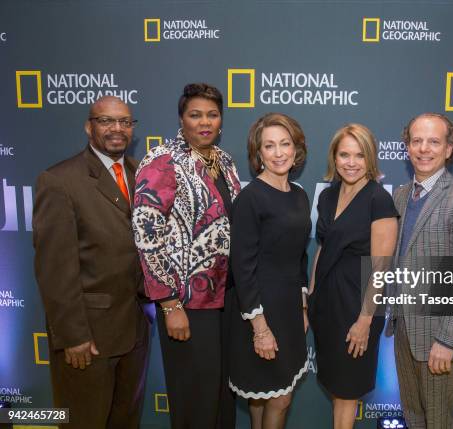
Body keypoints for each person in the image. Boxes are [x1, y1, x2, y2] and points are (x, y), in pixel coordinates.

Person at [33, 96, 149, 429]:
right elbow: (55, 270)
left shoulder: (140, 173)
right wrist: (72, 337)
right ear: (89, 126)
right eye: (106, 121)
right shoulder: (59, 181)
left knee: (125, 421)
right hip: (89, 339)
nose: (117, 129)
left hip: (134, 332)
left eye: (125, 122)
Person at [132, 83, 241, 428]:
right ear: (182, 119)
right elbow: (147, 235)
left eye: (212, 115)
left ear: (221, 120)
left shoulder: (224, 162)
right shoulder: (163, 160)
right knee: (195, 401)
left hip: (224, 300)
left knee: (221, 397)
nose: (205, 122)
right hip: (186, 304)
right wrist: (169, 304)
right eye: (195, 115)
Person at [389, 113, 453, 429]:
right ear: (407, 147)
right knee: (413, 416)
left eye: (434, 141)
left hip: (439, 337)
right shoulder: (402, 195)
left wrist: (447, 341)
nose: (423, 148)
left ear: (449, 149)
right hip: (404, 329)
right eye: (416, 141)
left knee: (438, 420)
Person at [308, 124, 398, 429]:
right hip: (326, 306)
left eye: (359, 155)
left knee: (347, 394)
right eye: (344, 154)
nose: (351, 162)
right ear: (334, 156)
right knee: (335, 388)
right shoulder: (328, 196)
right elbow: (322, 249)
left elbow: (381, 267)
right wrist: (311, 296)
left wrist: (365, 320)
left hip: (357, 307)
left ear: (370, 158)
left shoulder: (378, 199)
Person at [228, 113, 310, 429]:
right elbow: (242, 267)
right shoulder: (250, 198)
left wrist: (302, 305)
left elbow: (300, 256)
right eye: (269, 146)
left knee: (265, 397)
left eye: (285, 144)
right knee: (276, 398)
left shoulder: (300, 195)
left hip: (289, 309)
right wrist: (259, 328)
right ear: (258, 153)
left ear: (296, 148)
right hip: (258, 310)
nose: (278, 153)